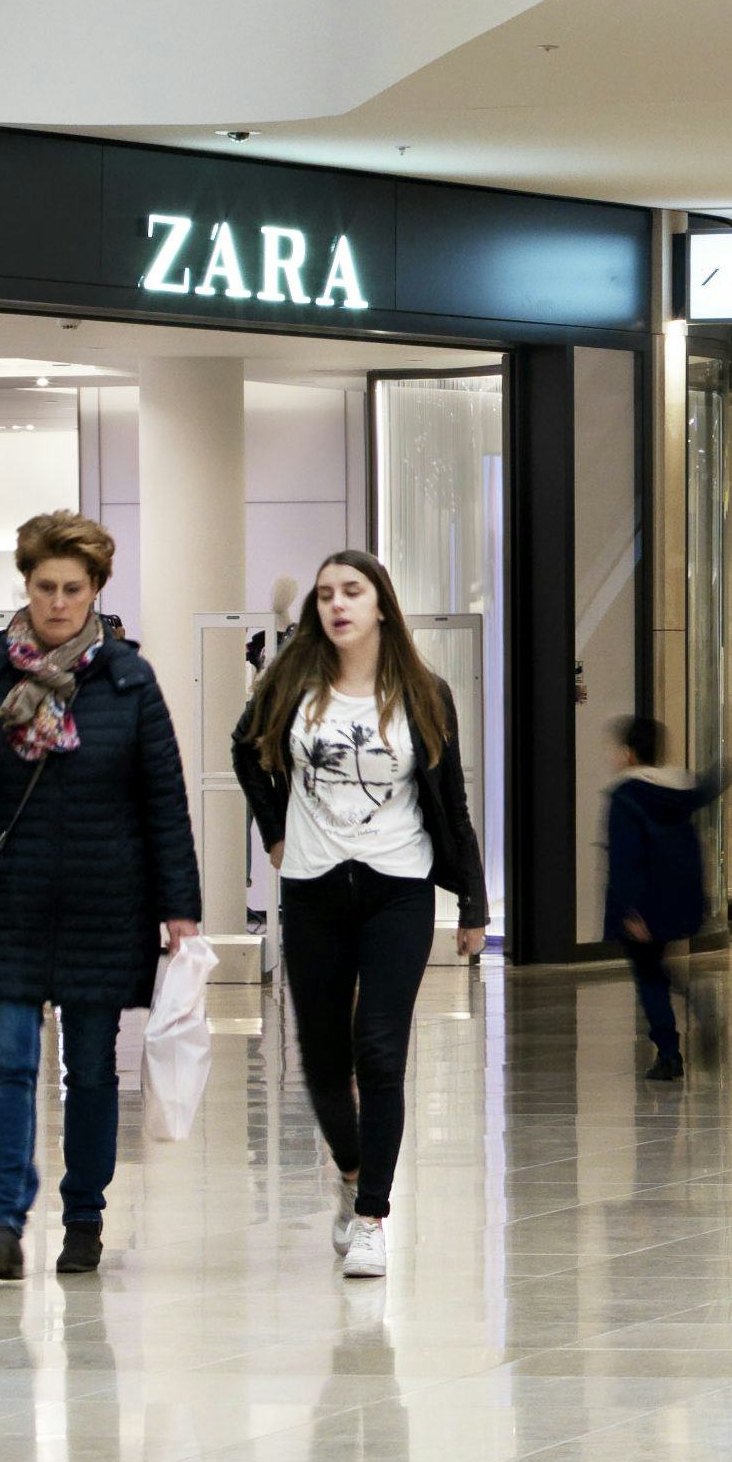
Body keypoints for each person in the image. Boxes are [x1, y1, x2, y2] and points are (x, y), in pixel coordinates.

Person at [0, 510, 208, 1285]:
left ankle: (84, 1219)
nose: (59, 602)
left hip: (109, 899)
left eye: (74, 588)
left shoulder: (127, 678)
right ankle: (4, 1222)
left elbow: (162, 799)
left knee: (93, 1068)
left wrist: (180, 906)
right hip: (9, 895)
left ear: (97, 589)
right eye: (45, 587)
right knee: (8, 1059)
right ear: (26, 584)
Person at [230, 545, 475, 1275]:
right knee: (323, 1057)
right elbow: (246, 752)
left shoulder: (424, 692)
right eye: (326, 593)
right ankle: (349, 1172)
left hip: (397, 888)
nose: (336, 604)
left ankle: (372, 1215)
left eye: (351, 591)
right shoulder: (293, 686)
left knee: (380, 1049)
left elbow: (451, 804)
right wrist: (274, 827)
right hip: (311, 888)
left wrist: (472, 901)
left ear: (379, 605)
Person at [602, 709, 716, 1080]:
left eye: (617, 749)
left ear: (630, 754)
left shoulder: (626, 796)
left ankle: (669, 1052)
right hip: (680, 893)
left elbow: (624, 856)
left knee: (648, 973)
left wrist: (628, 908)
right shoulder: (678, 789)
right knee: (658, 965)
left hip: (644, 900)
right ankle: (695, 1003)